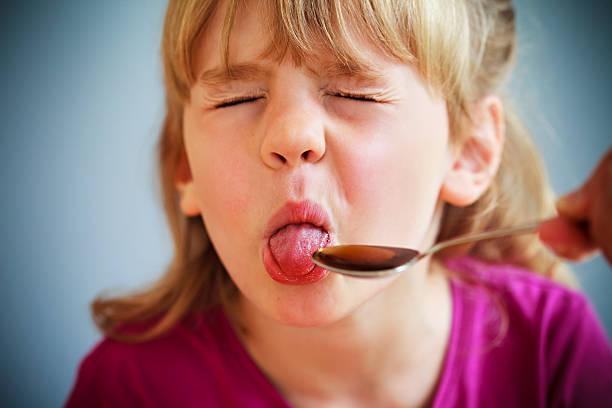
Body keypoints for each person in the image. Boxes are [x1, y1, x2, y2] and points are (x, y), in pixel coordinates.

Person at [65, 0, 612, 406]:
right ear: (186, 167)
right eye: (238, 97)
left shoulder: (548, 348)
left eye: (355, 94)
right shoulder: (128, 387)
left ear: (468, 152)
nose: (290, 135)